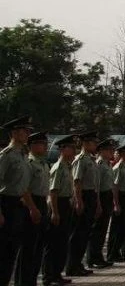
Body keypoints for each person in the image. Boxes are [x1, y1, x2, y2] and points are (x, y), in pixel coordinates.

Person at [0, 115, 33, 286]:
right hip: (6, 204)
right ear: (14, 133)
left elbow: (23, 186)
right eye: (24, 131)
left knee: (12, 251)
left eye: (28, 131)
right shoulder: (6, 155)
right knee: (3, 251)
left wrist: (31, 207)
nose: (27, 134)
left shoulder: (23, 155)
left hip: (18, 205)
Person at [15, 130, 49, 286]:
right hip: (31, 203)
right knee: (28, 248)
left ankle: (31, 280)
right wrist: (32, 208)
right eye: (41, 144)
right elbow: (25, 189)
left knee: (38, 246)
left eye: (45, 143)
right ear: (32, 146)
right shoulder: (28, 163)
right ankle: (23, 281)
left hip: (41, 203)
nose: (45, 146)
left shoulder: (43, 163)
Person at [43, 134, 77, 286]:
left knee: (62, 242)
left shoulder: (68, 166)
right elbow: (53, 192)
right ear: (62, 149)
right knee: (53, 243)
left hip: (66, 204)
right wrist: (55, 212)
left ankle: (57, 274)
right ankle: (48, 276)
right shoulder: (58, 167)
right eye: (71, 147)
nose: (74, 150)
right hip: (58, 205)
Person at [66, 130, 100, 277]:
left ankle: (78, 264)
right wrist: (79, 201)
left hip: (90, 195)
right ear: (86, 143)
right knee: (78, 234)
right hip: (83, 196)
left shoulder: (91, 159)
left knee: (85, 233)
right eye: (93, 142)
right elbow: (77, 182)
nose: (96, 145)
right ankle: (72, 266)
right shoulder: (80, 160)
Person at [87, 138, 115, 269]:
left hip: (107, 196)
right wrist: (98, 203)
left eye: (112, 150)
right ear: (102, 151)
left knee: (103, 229)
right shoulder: (99, 164)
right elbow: (96, 186)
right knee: (97, 230)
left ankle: (98, 257)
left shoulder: (107, 164)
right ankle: (93, 258)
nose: (112, 152)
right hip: (101, 197)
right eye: (109, 150)